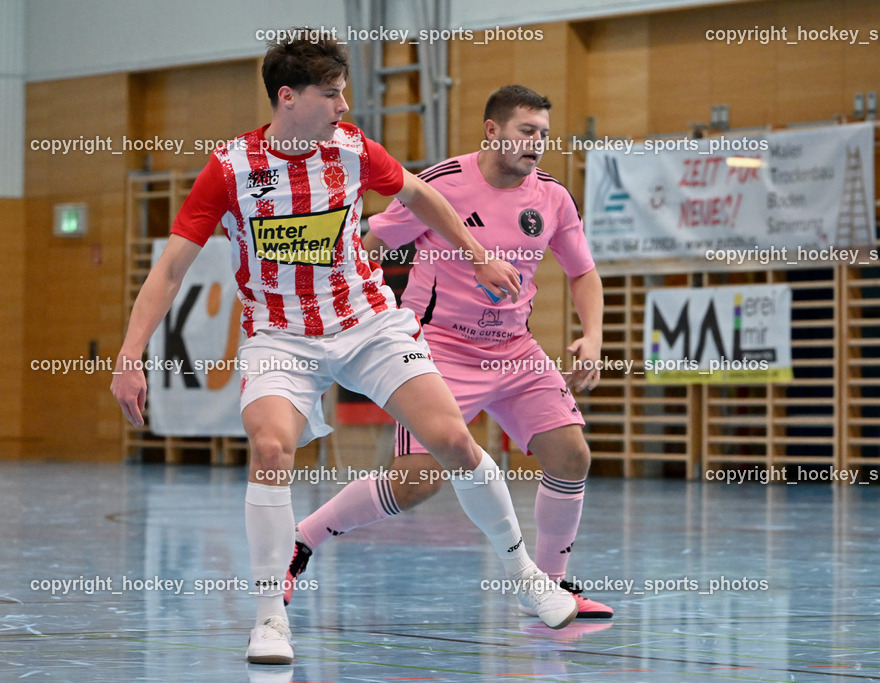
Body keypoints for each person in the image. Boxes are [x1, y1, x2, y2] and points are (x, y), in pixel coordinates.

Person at [110, 36, 578, 667]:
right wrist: (130, 355)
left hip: (366, 323)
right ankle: (269, 617)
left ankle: (525, 577)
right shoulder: (230, 168)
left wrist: (476, 254)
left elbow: (420, 196)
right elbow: (170, 268)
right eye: (331, 94)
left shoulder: (353, 148)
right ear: (288, 97)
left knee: (453, 441)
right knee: (270, 449)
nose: (343, 104)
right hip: (280, 335)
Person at [288, 85, 612, 620]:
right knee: (416, 482)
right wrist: (336, 309)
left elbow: (583, 272)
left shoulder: (553, 197)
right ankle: (302, 539)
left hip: (514, 348)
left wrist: (593, 336)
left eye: (544, 134)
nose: (537, 143)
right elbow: (371, 245)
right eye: (526, 131)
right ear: (493, 130)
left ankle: (551, 586)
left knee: (571, 455)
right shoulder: (442, 184)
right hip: (438, 348)